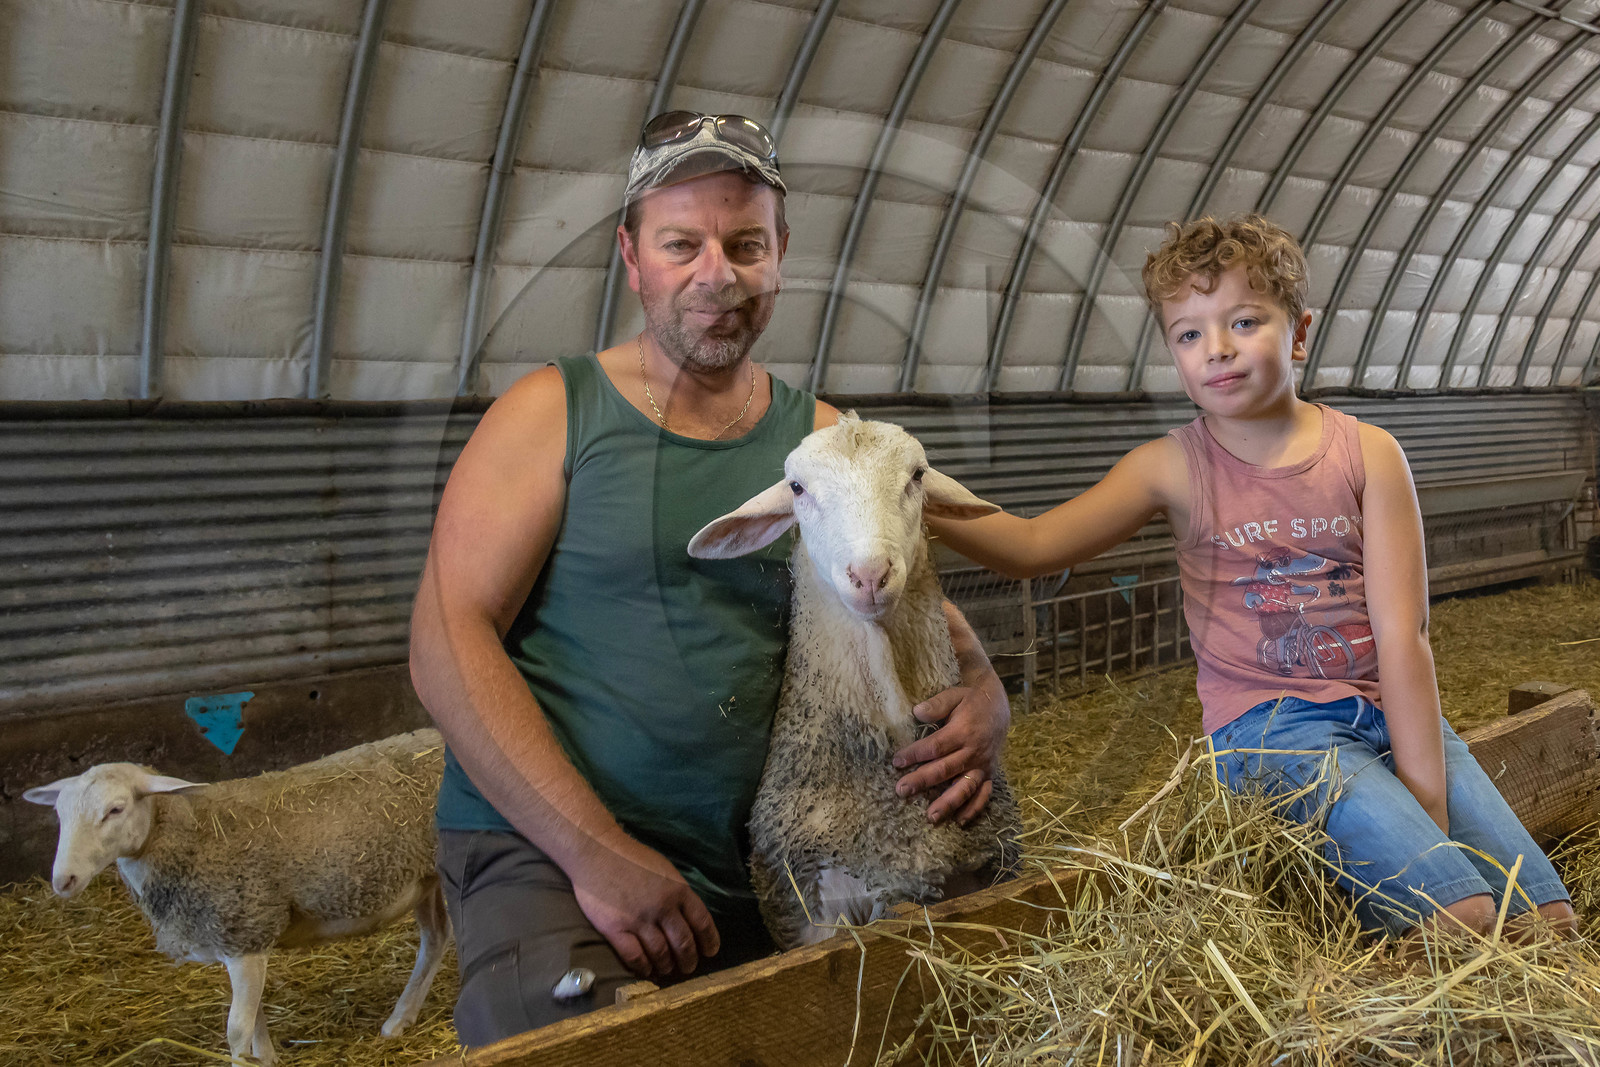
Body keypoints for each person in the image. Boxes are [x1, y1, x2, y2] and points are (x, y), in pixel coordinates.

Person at [408, 110, 1011, 1045]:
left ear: (779, 255)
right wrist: (597, 855)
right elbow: (445, 644)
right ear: (632, 255)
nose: (716, 274)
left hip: (759, 856)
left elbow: (924, 619)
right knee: (587, 1043)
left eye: (745, 244)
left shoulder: (823, 439)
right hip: (544, 850)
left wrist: (987, 700)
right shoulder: (551, 413)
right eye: (681, 243)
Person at [929, 215, 1576, 942]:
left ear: (1299, 332)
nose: (1219, 350)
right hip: (1273, 732)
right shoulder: (1172, 466)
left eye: (1243, 320)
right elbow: (1031, 543)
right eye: (1190, 333)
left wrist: (1424, 799)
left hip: (1387, 711)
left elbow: (1406, 635)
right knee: (1460, 916)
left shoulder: (1368, 453)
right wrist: (903, 478)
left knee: (1544, 919)